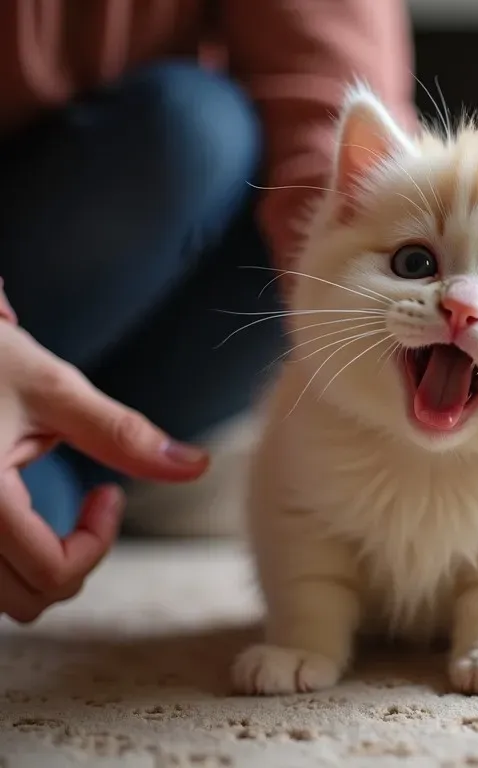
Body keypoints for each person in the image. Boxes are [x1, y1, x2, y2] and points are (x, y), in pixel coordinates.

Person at [0, 2, 417, 622]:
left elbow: (335, 124)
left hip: (155, 237)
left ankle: (69, 456)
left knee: (320, 247)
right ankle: (67, 463)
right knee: (189, 128)